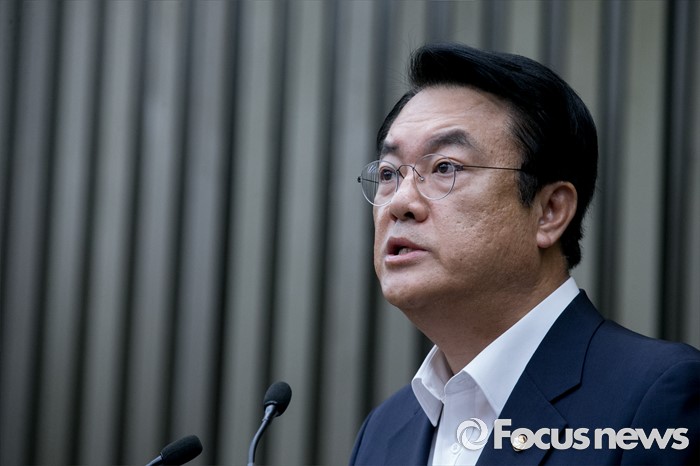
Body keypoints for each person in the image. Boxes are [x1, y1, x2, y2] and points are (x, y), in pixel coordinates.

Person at [349, 43, 700, 466]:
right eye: (389, 173)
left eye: (445, 167)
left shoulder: (657, 396)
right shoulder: (384, 431)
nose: (401, 202)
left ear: (549, 212)